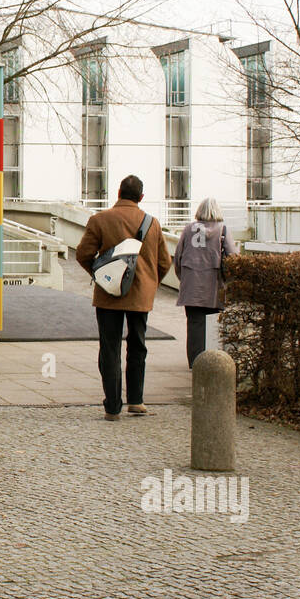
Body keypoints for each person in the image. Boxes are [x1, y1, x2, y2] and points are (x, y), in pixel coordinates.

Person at [76, 174, 172, 421]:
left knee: (110, 348)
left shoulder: (100, 220)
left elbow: (83, 254)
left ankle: (112, 406)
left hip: (108, 295)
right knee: (138, 345)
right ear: (141, 197)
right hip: (141, 295)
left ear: (118, 193)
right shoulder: (153, 223)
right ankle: (137, 401)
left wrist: (101, 276)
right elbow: (164, 262)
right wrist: (150, 283)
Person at [172, 197, 240, 369]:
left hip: (192, 286)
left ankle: (195, 363)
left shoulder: (188, 229)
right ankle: (214, 362)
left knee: (194, 326)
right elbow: (233, 257)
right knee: (214, 325)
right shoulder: (222, 230)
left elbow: (178, 256)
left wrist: (184, 279)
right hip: (214, 286)